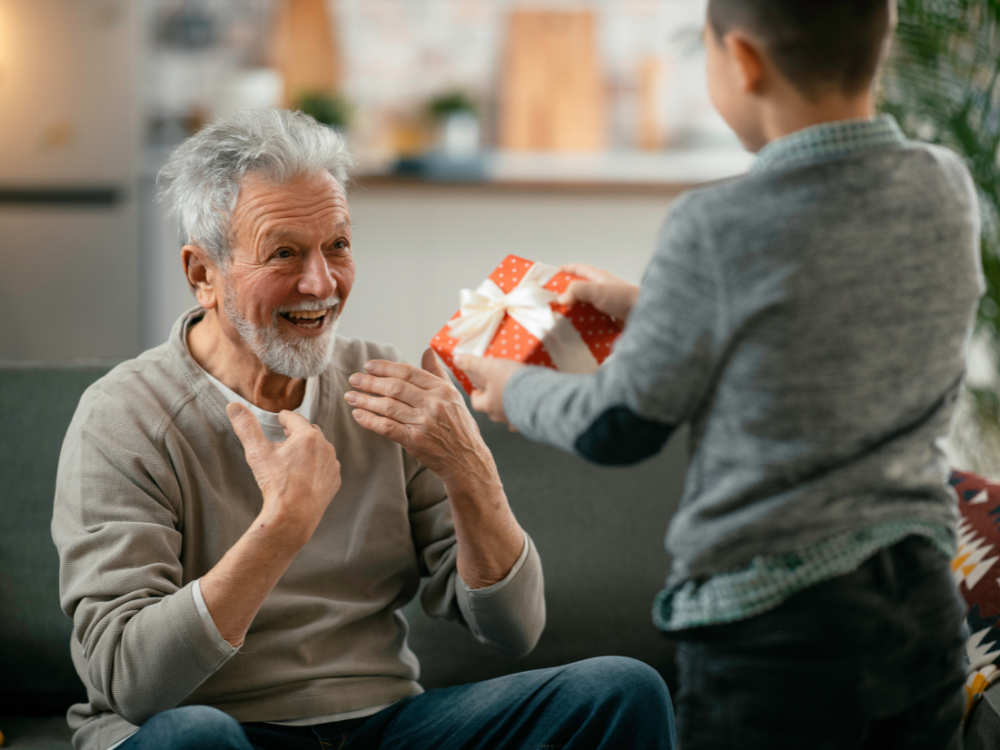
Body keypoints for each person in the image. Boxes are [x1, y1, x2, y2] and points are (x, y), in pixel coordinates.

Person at [51, 108, 675, 750]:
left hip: (381, 727)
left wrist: (472, 470)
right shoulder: (124, 417)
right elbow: (129, 682)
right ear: (203, 274)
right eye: (284, 252)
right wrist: (283, 527)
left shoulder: (386, 386)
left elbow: (515, 631)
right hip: (217, 728)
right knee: (194, 740)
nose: (321, 283)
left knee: (622, 689)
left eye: (338, 246)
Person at [460, 1, 983, 747]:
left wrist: (516, 391)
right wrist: (656, 309)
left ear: (741, 61)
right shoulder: (944, 186)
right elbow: (834, 324)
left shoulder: (715, 223)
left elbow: (621, 424)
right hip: (921, 599)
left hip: (776, 627)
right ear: (884, 41)